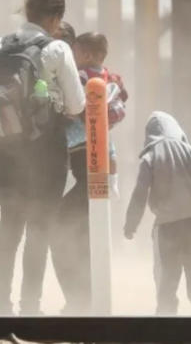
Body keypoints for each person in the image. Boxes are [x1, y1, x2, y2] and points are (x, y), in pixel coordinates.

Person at [0, 0, 85, 316]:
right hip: (45, 155)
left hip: (7, 151)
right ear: (56, 19)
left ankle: (0, 305)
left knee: (8, 229)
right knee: (39, 229)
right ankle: (30, 306)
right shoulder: (56, 49)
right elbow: (75, 105)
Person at [124, 111, 191, 315]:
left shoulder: (150, 157)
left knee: (168, 280)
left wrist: (131, 225)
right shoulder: (189, 151)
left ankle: (166, 324)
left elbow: (139, 194)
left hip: (167, 227)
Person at [51, 30, 126, 314]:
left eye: (77, 53)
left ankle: (80, 299)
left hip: (89, 168)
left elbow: (77, 110)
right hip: (96, 168)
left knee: (63, 232)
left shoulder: (86, 80)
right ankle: (85, 298)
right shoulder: (110, 82)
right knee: (83, 237)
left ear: (91, 55)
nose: (74, 59)